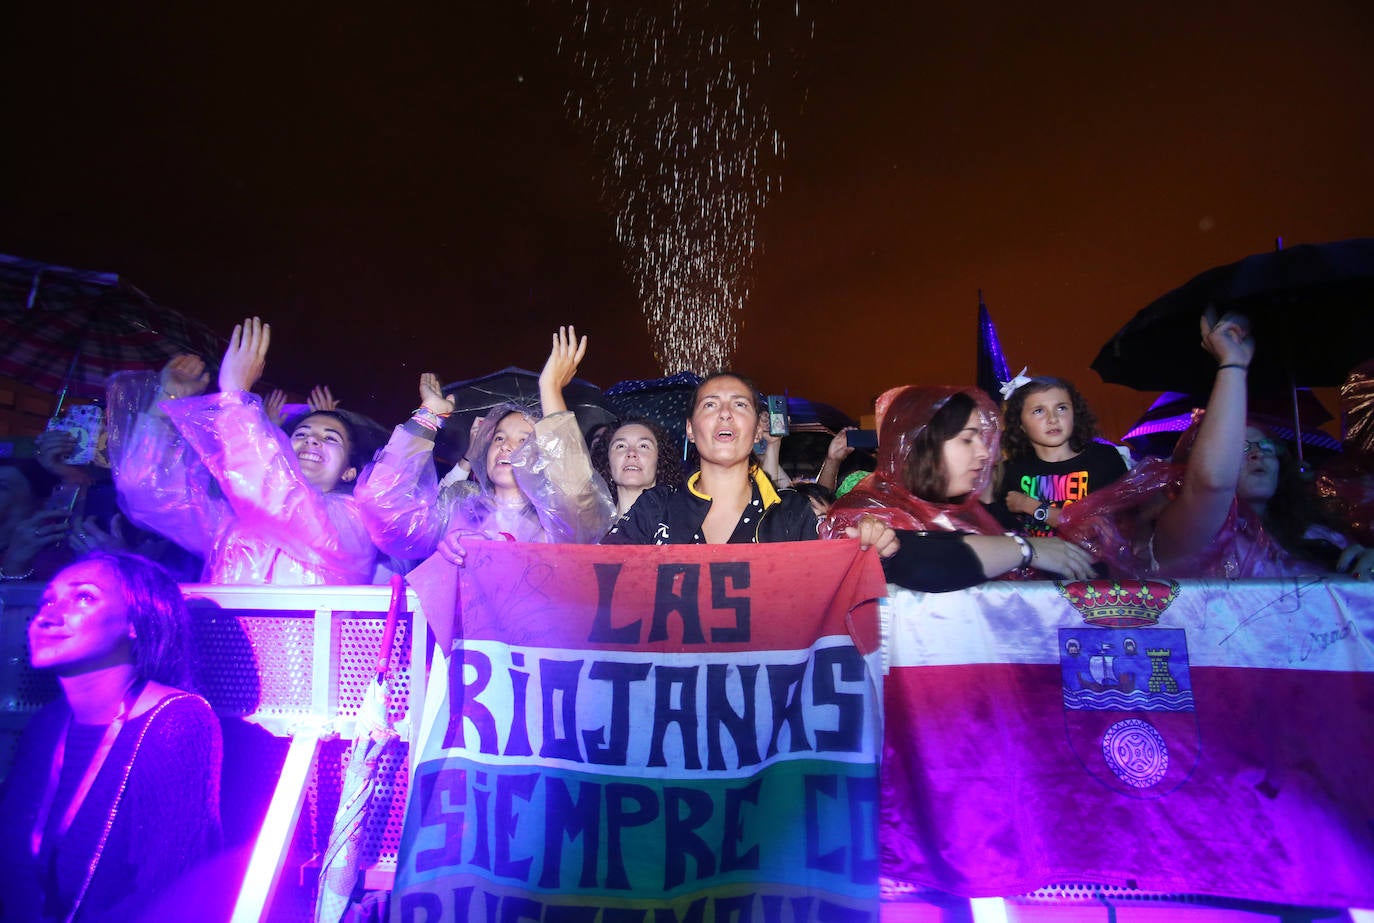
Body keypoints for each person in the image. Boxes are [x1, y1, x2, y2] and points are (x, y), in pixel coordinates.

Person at [1061, 315, 1374, 579]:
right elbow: (1210, 485)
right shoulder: (1186, 536)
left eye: (1266, 445)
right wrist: (1233, 366)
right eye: (1240, 445)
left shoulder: (1322, 538)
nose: (1258, 452)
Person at [0, 551, 222, 922]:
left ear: (136, 621)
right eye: (48, 599)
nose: (49, 615)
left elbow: (169, 898)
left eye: (84, 597)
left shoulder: (177, 721)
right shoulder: (47, 725)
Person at [109, 317, 378, 584]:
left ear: (348, 472)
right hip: (225, 628)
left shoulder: (354, 522)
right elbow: (149, 491)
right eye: (301, 434)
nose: (312, 441)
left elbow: (286, 503)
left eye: (330, 438)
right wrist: (166, 401)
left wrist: (236, 397)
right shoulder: (234, 521)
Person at [356, 326, 616, 566]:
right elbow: (382, 504)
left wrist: (550, 390)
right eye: (499, 438)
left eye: (523, 440)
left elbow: (575, 494)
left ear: (545, 455)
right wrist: (429, 415)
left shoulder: (556, 520)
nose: (505, 447)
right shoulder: (457, 506)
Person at [825, 385, 1097, 590]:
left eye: (983, 438)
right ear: (922, 445)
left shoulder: (968, 510)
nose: (984, 453)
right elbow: (919, 560)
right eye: (968, 439)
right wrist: (1025, 550)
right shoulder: (866, 509)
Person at [604, 372, 896, 555]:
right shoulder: (655, 508)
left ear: (758, 429)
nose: (725, 413)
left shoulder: (792, 515)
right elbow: (596, 576)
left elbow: (832, 585)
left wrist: (867, 549)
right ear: (691, 430)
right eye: (710, 404)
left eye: (740, 404)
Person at [993, 373, 1128, 536]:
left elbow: (1101, 528)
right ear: (1020, 424)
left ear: (1075, 414)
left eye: (1061, 408)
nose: (1053, 419)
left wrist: (1030, 506)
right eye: (1038, 411)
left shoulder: (1103, 459)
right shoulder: (1011, 471)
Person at [591, 416, 684, 520]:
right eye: (621, 446)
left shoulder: (680, 524)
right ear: (608, 462)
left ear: (660, 460)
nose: (631, 453)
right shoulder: (588, 528)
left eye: (643, 446)